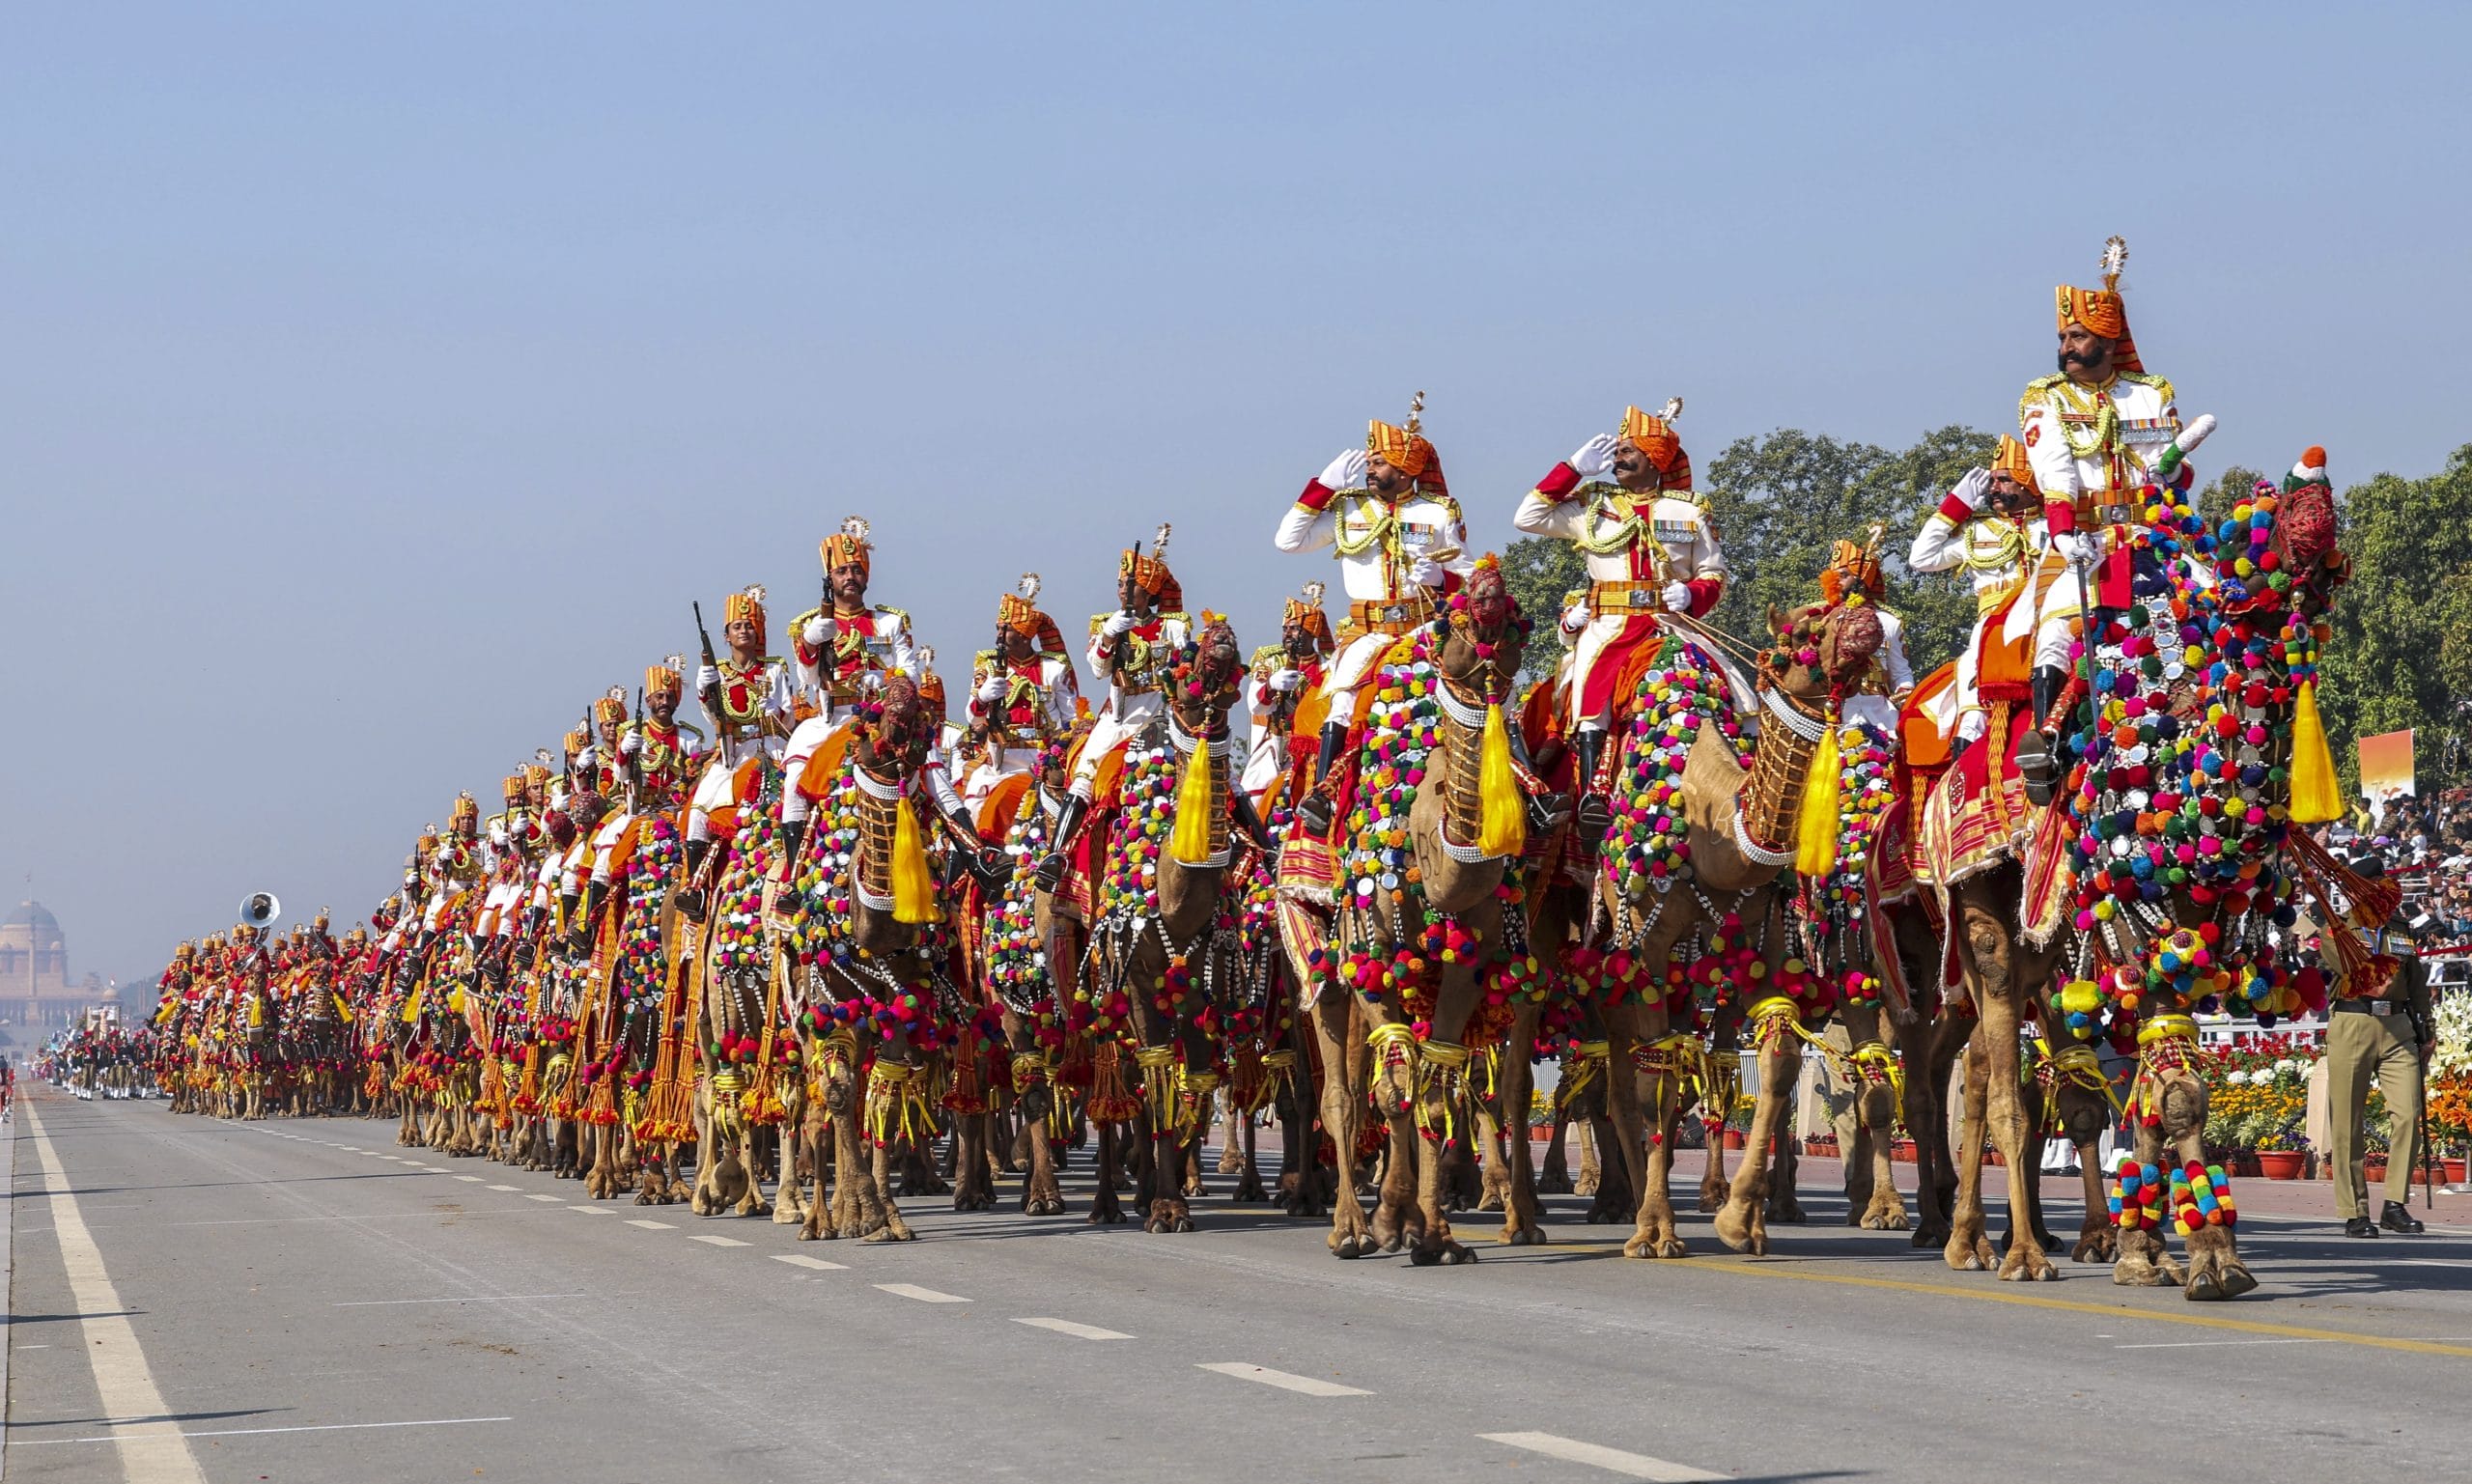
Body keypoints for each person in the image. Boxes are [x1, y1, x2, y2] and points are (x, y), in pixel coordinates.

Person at [2012, 237, 2211, 799]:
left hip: (2150, 535)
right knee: (2054, 630)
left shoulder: (2151, 393)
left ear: (2108, 339)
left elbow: (2169, 474)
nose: (2066, 347)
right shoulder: (2043, 396)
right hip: (2081, 541)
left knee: (2213, 605)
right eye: (2063, 338)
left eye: (2077, 337)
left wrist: (2174, 470)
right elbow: (2054, 471)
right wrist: (2064, 532)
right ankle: (2046, 750)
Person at [1510, 399, 1730, 828]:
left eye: (1629, 450)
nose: (1618, 457)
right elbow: (1527, 517)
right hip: (1607, 624)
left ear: (1655, 459)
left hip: (1671, 623)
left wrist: (1693, 593)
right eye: (1618, 450)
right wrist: (1572, 469)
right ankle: (1592, 794)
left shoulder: (1689, 510)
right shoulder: (1592, 504)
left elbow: (1714, 571)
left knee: (1734, 694)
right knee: (1588, 699)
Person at [1274, 391, 1475, 829]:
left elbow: (1469, 572)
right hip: (1366, 633)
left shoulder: (1438, 513)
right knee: (1341, 700)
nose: (1369, 468)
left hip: (1422, 631)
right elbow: (1288, 541)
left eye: (1379, 462)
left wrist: (1441, 580)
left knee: (1476, 693)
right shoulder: (1347, 510)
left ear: (1406, 470)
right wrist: (1321, 487)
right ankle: (1323, 796)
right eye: (1369, 462)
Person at [1905, 435, 2053, 752]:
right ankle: (1967, 756)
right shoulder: (1977, 531)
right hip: (1991, 631)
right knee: (1970, 675)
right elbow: (1921, 558)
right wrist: (1954, 507)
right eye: (1992, 481)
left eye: (2004, 480)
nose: (1993, 488)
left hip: (2046, 623)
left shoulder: (2055, 527)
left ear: (2029, 484)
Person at [2323, 855, 2434, 1238]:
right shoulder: (2336, 929)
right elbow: (2354, 973)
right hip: (2353, 1021)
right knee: (2347, 1124)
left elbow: (2416, 981)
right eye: (2375, 886)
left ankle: (2394, 1203)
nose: (2383, 892)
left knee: (2408, 1113)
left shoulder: (2400, 928)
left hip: (2398, 1025)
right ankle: (2355, 1211)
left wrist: (2428, 1027)